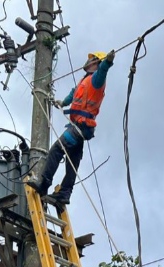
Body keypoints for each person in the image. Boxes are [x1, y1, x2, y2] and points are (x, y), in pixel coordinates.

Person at [26, 50, 114, 206]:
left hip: (81, 126)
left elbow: (102, 72)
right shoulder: (85, 81)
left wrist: (107, 62)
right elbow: (74, 93)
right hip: (80, 127)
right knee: (72, 161)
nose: (87, 61)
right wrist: (63, 103)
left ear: (95, 62)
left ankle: (44, 184)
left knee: (56, 150)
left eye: (91, 59)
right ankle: (64, 194)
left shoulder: (96, 80)